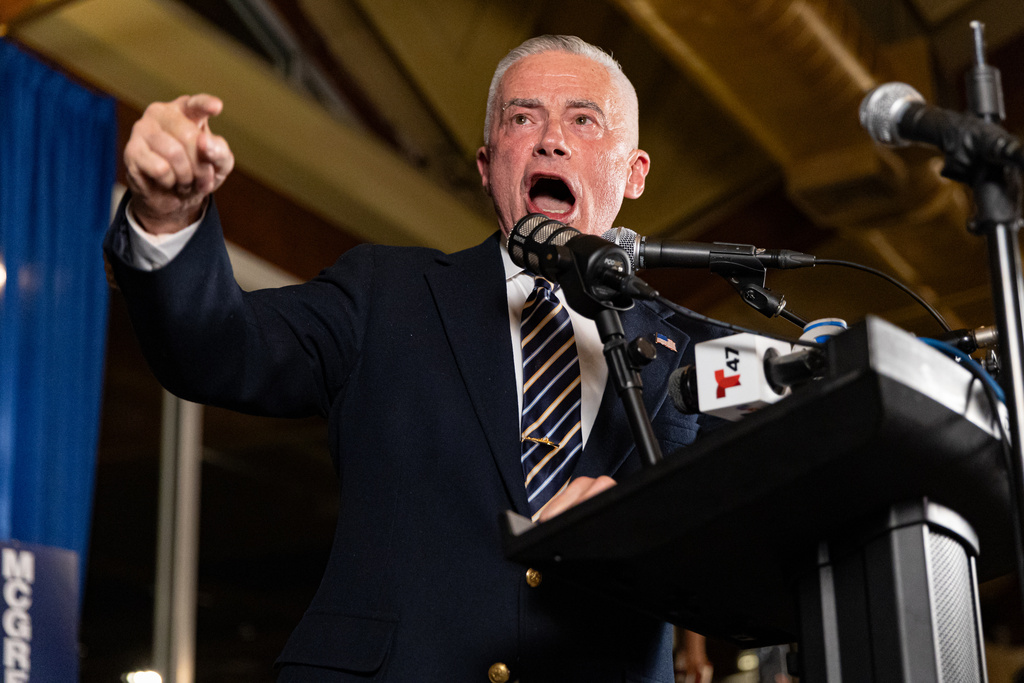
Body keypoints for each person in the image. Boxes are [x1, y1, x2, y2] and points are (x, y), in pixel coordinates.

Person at [105, 34, 721, 682]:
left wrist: (648, 525)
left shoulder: (695, 350)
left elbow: (755, 540)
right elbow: (217, 348)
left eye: (583, 119)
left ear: (634, 172)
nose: (550, 139)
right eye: (522, 117)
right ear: (487, 165)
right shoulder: (382, 292)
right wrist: (167, 218)